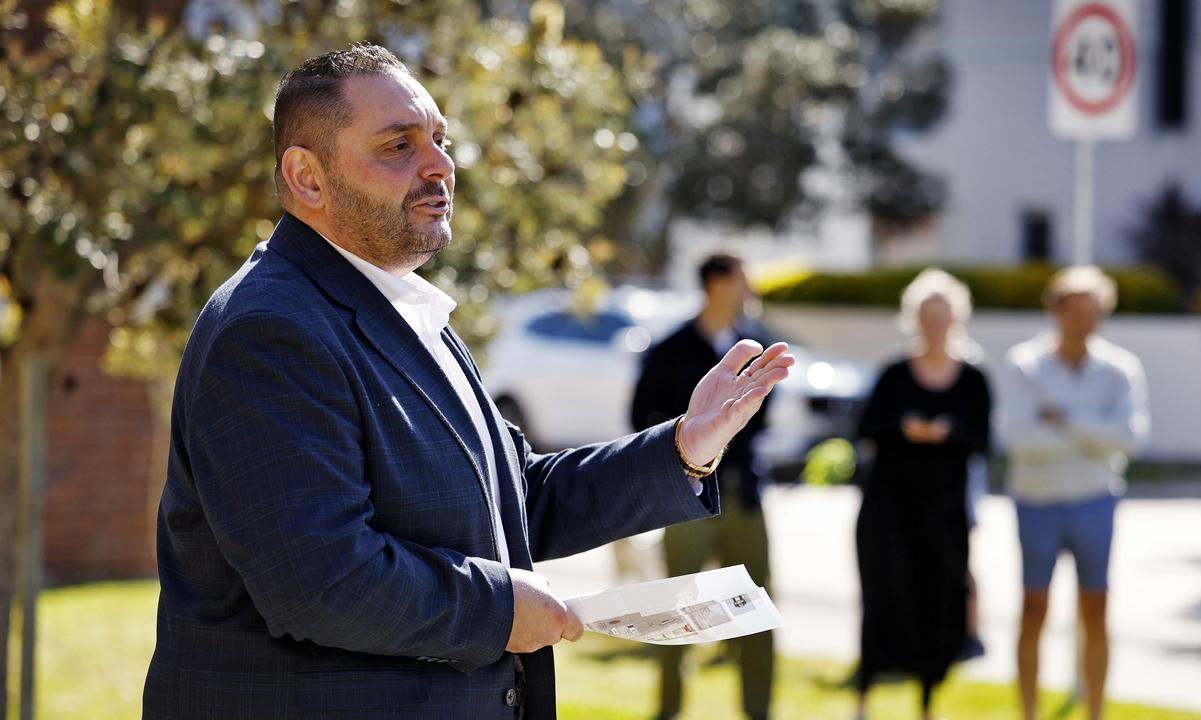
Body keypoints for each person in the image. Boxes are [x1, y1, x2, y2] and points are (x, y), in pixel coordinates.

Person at [142, 44, 795, 720]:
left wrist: (686, 447)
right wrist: (503, 610)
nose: (440, 166)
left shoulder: (409, 310)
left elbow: (515, 502)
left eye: (439, 140)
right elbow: (324, 581)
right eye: (399, 145)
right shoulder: (269, 330)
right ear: (308, 178)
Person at [630, 253, 776, 720]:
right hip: (687, 501)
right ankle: (668, 710)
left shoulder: (756, 347)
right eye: (742, 279)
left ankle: (758, 712)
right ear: (716, 283)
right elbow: (640, 420)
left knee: (755, 609)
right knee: (676, 612)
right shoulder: (671, 350)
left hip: (744, 498)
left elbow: (760, 422)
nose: (749, 289)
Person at [1004, 266, 1149, 720]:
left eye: (1092, 312)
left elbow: (1128, 438)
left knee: (1095, 611)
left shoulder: (1121, 368)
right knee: (1032, 610)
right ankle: (1027, 712)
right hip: (1036, 500)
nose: (1083, 321)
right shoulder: (1024, 363)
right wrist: (1092, 435)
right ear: (1056, 311)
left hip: (1095, 500)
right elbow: (1018, 438)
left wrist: (1063, 419)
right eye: (1074, 311)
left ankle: (1096, 712)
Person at [852, 268, 992, 720]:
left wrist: (948, 434)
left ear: (957, 319)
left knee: (938, 603)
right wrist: (903, 429)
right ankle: (863, 699)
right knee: (882, 599)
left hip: (945, 513)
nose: (936, 325)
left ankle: (928, 704)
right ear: (914, 319)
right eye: (927, 317)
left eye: (943, 316)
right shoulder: (894, 373)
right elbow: (866, 428)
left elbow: (985, 440)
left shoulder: (973, 378)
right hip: (888, 510)